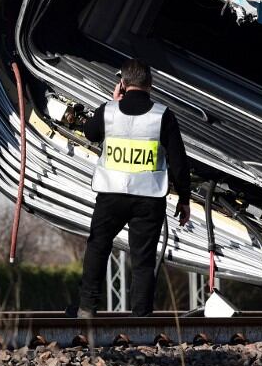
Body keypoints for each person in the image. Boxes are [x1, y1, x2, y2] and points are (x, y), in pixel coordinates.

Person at [78, 59, 191, 318]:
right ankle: (141, 315)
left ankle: (87, 307)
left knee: (98, 247)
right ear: (150, 84)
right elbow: (178, 161)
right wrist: (184, 198)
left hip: (111, 195)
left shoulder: (108, 110)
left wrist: (113, 102)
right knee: (143, 258)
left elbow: (90, 133)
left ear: (123, 83)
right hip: (149, 198)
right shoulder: (162, 115)